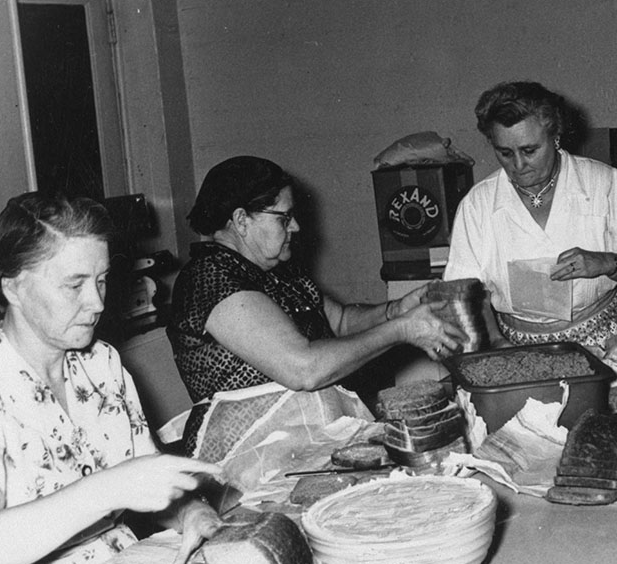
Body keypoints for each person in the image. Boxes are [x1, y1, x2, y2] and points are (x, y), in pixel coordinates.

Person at [0, 194, 221, 564]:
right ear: (11, 286)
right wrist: (102, 491)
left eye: (102, 279)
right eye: (74, 284)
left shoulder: (101, 364)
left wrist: (190, 510)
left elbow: (150, 483)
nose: (99, 302)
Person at [167, 156, 466, 435]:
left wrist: (395, 310)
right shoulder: (210, 279)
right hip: (249, 452)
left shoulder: (275, 269)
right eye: (284, 218)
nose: (295, 226)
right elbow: (304, 368)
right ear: (242, 220)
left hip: (305, 434)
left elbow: (340, 321)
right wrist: (400, 329)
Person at [443, 80, 617, 347]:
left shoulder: (603, 183)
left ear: (555, 136)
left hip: (607, 338)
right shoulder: (478, 205)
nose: (519, 165)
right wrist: (496, 341)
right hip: (516, 345)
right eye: (505, 153)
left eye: (529, 150)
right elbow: (462, 294)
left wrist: (606, 263)